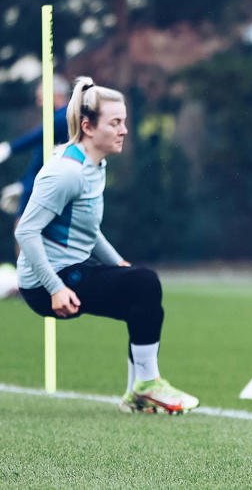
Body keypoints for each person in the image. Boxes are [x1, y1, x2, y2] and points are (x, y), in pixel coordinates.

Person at [15, 76, 199, 415]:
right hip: (45, 284)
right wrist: (55, 288)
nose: (124, 130)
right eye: (115, 122)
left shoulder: (95, 165)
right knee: (144, 284)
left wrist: (116, 264)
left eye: (124, 121)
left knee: (139, 291)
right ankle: (148, 384)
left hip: (72, 269)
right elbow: (26, 232)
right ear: (87, 126)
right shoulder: (66, 172)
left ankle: (137, 392)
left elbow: (88, 229)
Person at [0, 75, 71, 217]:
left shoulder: (65, 116)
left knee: (24, 226)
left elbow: (38, 136)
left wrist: (10, 148)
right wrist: (24, 183)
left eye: (41, 98)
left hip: (54, 186)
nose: (39, 104)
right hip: (41, 182)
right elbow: (40, 156)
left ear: (55, 95)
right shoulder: (57, 117)